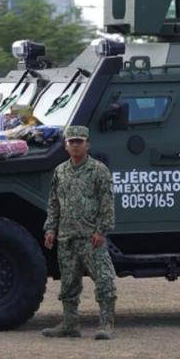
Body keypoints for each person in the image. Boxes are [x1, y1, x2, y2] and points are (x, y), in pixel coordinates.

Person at [42, 125, 118, 340]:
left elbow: (106, 202)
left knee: (104, 279)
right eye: (71, 141)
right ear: (66, 146)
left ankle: (106, 324)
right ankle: (69, 324)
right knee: (68, 282)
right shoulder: (60, 171)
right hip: (67, 237)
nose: (75, 145)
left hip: (90, 236)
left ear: (88, 144)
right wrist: (50, 228)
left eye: (79, 141)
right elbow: (54, 202)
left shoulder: (98, 170)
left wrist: (101, 230)